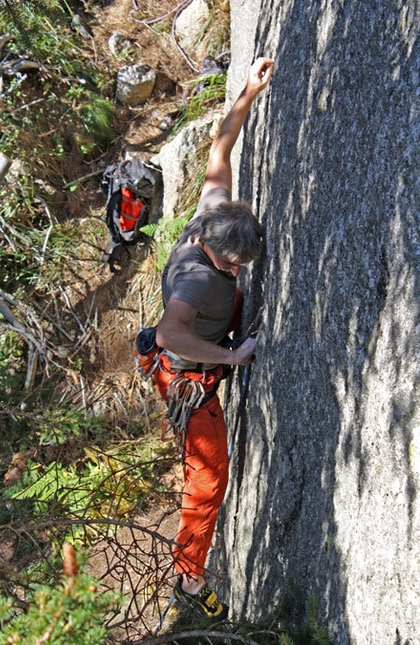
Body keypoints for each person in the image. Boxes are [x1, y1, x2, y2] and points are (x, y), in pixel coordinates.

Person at [153, 56, 274, 620]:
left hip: (192, 365)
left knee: (208, 477)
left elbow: (219, 152)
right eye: (239, 268)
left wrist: (248, 91)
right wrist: (231, 355)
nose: (242, 273)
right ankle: (189, 578)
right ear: (222, 257)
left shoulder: (212, 212)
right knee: (207, 480)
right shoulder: (198, 282)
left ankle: (189, 573)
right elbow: (169, 332)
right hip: (187, 381)